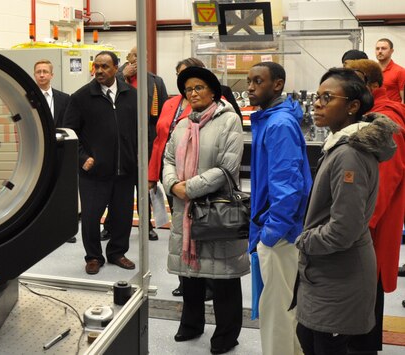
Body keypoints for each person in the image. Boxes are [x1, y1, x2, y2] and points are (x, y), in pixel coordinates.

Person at [292, 68, 398, 355]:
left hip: (340, 274)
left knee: (326, 344)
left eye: (327, 97)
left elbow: (344, 229)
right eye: (317, 96)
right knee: (309, 336)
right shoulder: (339, 146)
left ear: (352, 107)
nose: (317, 103)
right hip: (327, 270)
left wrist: (304, 241)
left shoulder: (349, 154)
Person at [161, 66, 248, 354]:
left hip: (215, 209)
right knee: (189, 273)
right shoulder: (183, 124)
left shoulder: (229, 121)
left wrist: (190, 188)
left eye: (198, 87)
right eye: (188, 90)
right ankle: (191, 324)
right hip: (183, 208)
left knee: (223, 275)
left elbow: (227, 167)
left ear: (213, 91)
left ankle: (226, 335)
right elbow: (168, 158)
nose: (193, 93)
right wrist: (173, 184)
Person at [246, 62, 312, 355]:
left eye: (257, 81)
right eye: (248, 81)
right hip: (275, 228)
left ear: (277, 84)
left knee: (277, 312)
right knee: (283, 306)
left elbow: (287, 186)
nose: (250, 87)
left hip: (279, 234)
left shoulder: (278, 125)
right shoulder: (270, 119)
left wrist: (271, 232)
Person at [343, 59, 405, 354]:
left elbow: (385, 181)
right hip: (364, 225)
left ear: (373, 85)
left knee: (367, 295)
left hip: (371, 229)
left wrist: (359, 228)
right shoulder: (368, 115)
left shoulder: (386, 120)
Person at [63, 51, 138, 275]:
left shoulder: (131, 95)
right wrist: (82, 158)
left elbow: (141, 130)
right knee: (91, 217)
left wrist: (137, 159)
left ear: (117, 68)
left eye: (105, 67)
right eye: (96, 67)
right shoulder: (81, 97)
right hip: (94, 172)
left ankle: (117, 252)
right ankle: (94, 256)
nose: (99, 71)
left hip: (125, 170)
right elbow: (69, 132)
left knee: (122, 216)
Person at [149, 57, 217, 299]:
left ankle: (207, 282)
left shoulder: (214, 105)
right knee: (180, 231)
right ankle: (185, 278)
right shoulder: (170, 104)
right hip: (172, 179)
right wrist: (154, 175)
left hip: (200, 182)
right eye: (183, 79)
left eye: (194, 80)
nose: (190, 87)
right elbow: (160, 141)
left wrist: (192, 184)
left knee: (203, 232)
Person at [100, 45, 167, 241]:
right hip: (120, 140)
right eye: (133, 56)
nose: (137, 60)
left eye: (141, 56)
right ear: (127, 58)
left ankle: (146, 226)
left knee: (144, 186)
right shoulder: (114, 79)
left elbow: (162, 113)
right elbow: (102, 95)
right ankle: (110, 225)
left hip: (146, 140)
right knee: (118, 185)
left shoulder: (155, 82)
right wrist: (121, 75)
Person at [33, 59, 76, 243]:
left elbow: (68, 124)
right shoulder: (28, 96)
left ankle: (63, 229)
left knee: (61, 190)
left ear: (52, 75)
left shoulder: (64, 98)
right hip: (36, 152)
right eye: (38, 72)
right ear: (34, 75)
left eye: (45, 71)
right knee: (39, 190)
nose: (42, 74)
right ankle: (40, 228)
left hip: (59, 151)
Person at [375, 38, 405, 103]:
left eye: (383, 48)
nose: (380, 51)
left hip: (391, 111)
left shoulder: (400, 71)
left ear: (391, 51)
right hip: (374, 110)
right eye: (377, 49)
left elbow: (403, 100)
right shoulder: (371, 70)